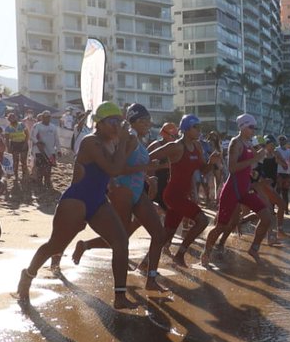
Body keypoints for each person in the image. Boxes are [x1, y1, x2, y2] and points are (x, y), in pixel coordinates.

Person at [17, 102, 139, 310]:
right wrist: (125, 143)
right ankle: (27, 274)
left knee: (120, 242)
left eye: (119, 121)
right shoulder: (90, 141)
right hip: (76, 201)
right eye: (112, 122)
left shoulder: (112, 142)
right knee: (55, 245)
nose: (117, 126)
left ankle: (119, 296)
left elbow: (118, 167)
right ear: (99, 124)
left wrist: (127, 145)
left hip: (98, 201)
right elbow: (114, 168)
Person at [68, 104, 171, 292]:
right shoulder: (129, 139)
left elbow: (135, 164)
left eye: (149, 120)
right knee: (121, 240)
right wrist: (147, 169)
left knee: (159, 234)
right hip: (122, 192)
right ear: (132, 122)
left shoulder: (139, 139)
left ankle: (151, 279)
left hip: (138, 191)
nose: (148, 124)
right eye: (143, 120)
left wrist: (149, 177)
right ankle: (86, 246)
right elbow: (118, 169)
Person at [201, 114, 275, 265]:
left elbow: (254, 161)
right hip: (232, 190)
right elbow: (232, 168)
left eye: (255, 128)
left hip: (244, 189)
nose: (254, 130)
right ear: (243, 127)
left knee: (267, 217)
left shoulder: (249, 143)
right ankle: (206, 252)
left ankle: (254, 248)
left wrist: (254, 166)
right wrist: (254, 159)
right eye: (251, 127)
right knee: (221, 226)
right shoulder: (236, 143)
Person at [151, 114, 216, 267]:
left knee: (167, 234)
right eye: (196, 127)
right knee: (203, 221)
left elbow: (203, 170)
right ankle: (180, 254)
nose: (199, 130)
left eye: (200, 127)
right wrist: (148, 176)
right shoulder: (176, 146)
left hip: (182, 195)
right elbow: (149, 156)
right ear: (186, 129)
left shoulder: (197, 147)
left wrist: (212, 162)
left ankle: (145, 263)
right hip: (173, 195)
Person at [30, 110, 60, 190]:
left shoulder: (53, 127)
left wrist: (59, 150)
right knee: (39, 167)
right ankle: (39, 182)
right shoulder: (37, 126)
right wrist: (38, 142)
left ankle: (47, 181)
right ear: (42, 117)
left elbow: (56, 139)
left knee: (49, 167)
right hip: (40, 150)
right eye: (45, 117)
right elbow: (32, 136)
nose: (47, 118)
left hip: (51, 151)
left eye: (48, 117)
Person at [274, 135, 290, 230]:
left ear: (286, 141)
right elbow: (276, 159)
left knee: (285, 192)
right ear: (278, 141)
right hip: (279, 173)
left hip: (287, 173)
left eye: (283, 140)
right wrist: (285, 163)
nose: (282, 141)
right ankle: (274, 208)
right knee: (277, 191)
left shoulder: (289, 151)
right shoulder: (276, 149)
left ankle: (286, 209)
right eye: (280, 140)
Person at [4, 112, 28, 184]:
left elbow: (27, 134)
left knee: (23, 161)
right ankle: (16, 176)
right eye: (10, 118)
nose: (12, 119)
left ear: (16, 118)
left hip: (23, 143)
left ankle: (24, 175)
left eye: (13, 117)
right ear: (9, 119)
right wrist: (8, 148)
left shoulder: (22, 125)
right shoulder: (8, 128)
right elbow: (7, 139)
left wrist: (25, 143)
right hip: (14, 145)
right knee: (15, 161)